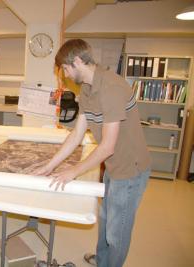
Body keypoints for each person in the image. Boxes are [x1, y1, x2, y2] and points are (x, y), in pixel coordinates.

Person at [33, 39, 150, 267]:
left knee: (117, 233)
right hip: (114, 167)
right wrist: (50, 166)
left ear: (77, 61)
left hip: (130, 171)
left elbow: (107, 146)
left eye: (65, 69)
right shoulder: (86, 89)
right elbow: (76, 135)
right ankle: (103, 261)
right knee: (106, 222)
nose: (65, 75)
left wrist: (73, 172)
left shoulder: (111, 88)